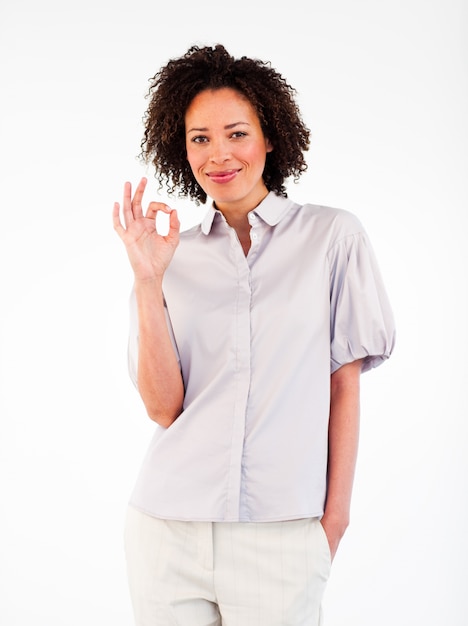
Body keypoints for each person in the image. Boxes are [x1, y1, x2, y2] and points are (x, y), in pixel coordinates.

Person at [113, 44, 395, 626]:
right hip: (167, 530)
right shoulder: (169, 257)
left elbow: (344, 385)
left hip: (283, 535)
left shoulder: (332, 238)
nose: (219, 154)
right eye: (199, 139)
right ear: (180, 148)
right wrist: (147, 279)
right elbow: (164, 408)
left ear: (270, 138)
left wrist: (332, 520)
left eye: (236, 133)